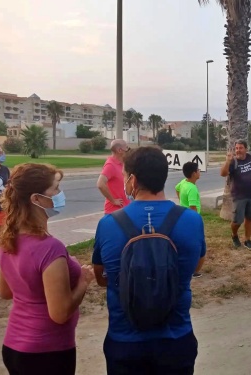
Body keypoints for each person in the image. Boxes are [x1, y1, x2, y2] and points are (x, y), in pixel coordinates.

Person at [92, 147, 206, 375]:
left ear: (132, 180)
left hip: (125, 341)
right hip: (176, 339)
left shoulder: (108, 224)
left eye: (125, 177)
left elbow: (101, 278)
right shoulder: (192, 221)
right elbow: (196, 267)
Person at [0, 163, 95, 375]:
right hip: (47, 352)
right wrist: (83, 282)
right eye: (56, 188)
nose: (61, 194)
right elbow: (59, 313)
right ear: (36, 199)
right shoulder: (49, 248)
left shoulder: (8, 238)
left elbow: (6, 292)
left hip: (14, 346)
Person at [220, 140, 251, 250]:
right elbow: (223, 174)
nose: (238, 150)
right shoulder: (233, 162)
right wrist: (227, 161)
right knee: (237, 221)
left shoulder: (250, 157)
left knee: (249, 218)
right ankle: (234, 235)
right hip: (239, 196)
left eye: (240, 148)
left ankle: (247, 240)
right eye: (236, 148)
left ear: (246, 149)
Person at [96, 139, 130, 214]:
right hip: (114, 212)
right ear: (120, 150)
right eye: (127, 148)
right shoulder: (110, 165)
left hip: (125, 209)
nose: (128, 150)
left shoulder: (123, 163)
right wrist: (113, 200)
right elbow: (100, 184)